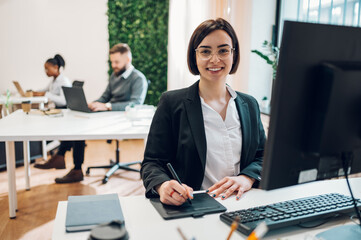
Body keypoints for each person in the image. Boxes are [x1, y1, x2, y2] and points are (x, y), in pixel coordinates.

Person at [141, 18, 266, 206]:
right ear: (195, 56)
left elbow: (263, 156)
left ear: (234, 54)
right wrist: (163, 185)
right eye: (206, 51)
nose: (215, 60)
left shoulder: (250, 104)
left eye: (223, 50)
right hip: (194, 205)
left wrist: (246, 178)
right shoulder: (171, 103)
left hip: (245, 202)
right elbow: (152, 163)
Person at [34, 43, 148, 184]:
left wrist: (106, 106)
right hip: (109, 114)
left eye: (117, 62)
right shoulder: (115, 75)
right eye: (112, 62)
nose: (114, 65)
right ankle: (70, 165)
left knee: (80, 126)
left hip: (124, 119)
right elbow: (105, 96)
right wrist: (93, 103)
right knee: (77, 122)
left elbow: (135, 104)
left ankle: (64, 160)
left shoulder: (138, 79)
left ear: (128, 60)